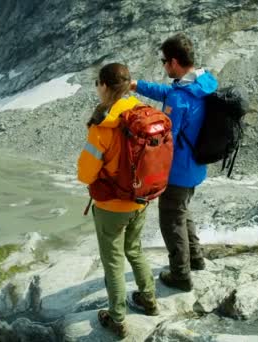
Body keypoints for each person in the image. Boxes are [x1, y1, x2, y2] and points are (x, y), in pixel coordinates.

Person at [130, 33, 218, 292]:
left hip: (178, 171)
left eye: (164, 61)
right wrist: (137, 85)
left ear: (175, 62)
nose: (163, 65)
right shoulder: (203, 83)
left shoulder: (180, 99)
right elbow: (169, 92)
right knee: (183, 211)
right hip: (196, 165)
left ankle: (180, 275)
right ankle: (196, 259)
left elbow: (166, 137)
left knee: (171, 219)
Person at [77, 62, 158, 338]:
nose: (96, 89)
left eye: (97, 83)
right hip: (140, 198)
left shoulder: (103, 127)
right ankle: (149, 299)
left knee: (113, 261)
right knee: (134, 250)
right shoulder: (139, 113)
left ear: (104, 86)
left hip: (112, 205)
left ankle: (117, 318)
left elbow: (85, 173)